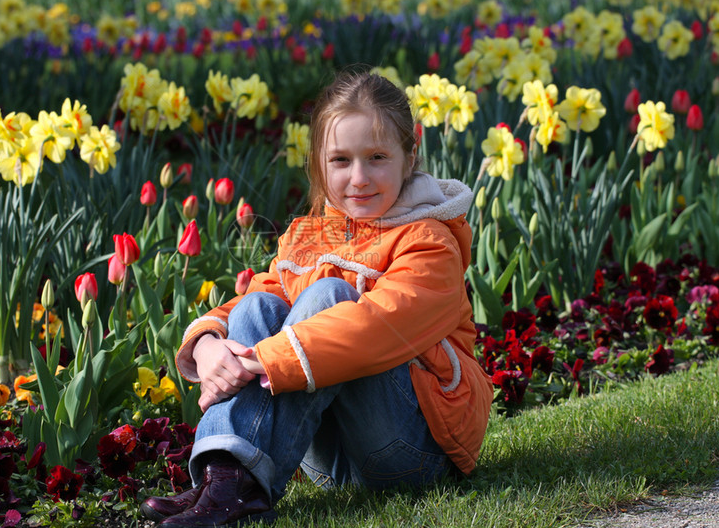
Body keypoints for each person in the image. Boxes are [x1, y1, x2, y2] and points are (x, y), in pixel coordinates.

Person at [141, 72, 493, 527]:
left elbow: (375, 327)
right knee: (256, 308)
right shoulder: (305, 236)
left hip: (410, 452)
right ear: (320, 165)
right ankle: (224, 478)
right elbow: (259, 299)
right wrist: (209, 343)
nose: (359, 178)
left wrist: (262, 360)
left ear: (410, 158)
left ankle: (235, 487)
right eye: (341, 160)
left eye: (378, 157)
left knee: (329, 296)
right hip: (327, 461)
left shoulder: (429, 241)